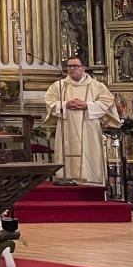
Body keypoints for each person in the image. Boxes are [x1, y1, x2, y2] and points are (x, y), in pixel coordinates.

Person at [44, 56, 119, 185]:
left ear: (83, 68)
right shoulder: (58, 86)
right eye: (69, 66)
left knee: (90, 154)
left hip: (89, 127)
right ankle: (66, 178)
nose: (72, 69)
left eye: (75, 66)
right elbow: (49, 101)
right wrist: (65, 104)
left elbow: (108, 103)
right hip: (66, 127)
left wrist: (87, 105)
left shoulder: (96, 86)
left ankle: (91, 181)